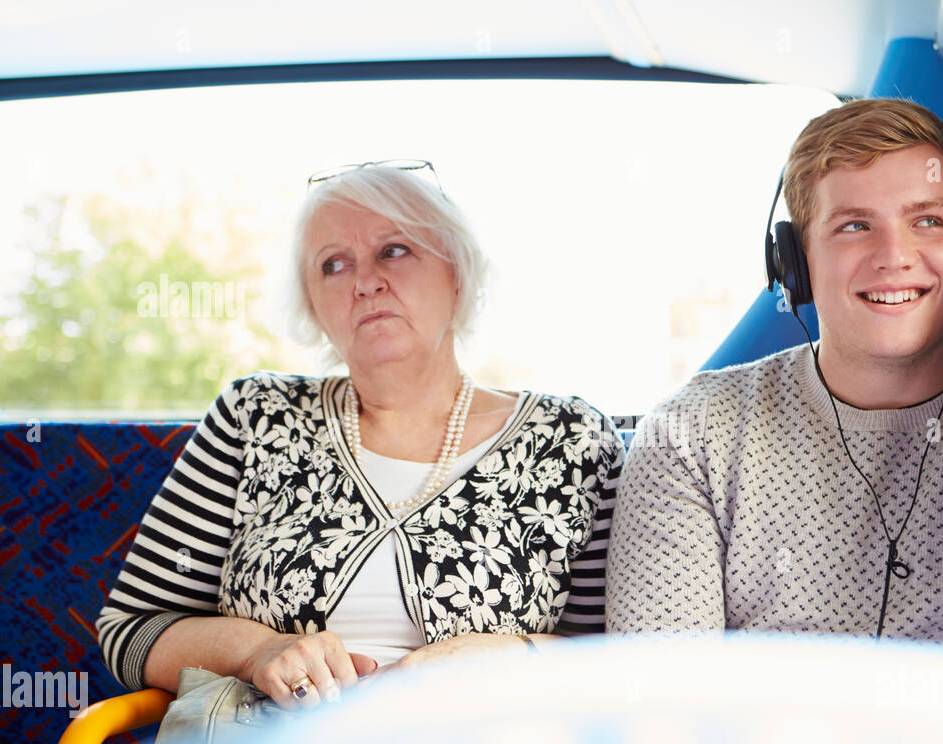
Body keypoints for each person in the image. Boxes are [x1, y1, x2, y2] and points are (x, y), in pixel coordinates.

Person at [605, 99, 943, 665]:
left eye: (928, 221)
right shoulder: (689, 435)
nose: (895, 256)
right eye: (854, 226)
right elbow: (661, 697)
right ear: (796, 265)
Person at [97, 161, 624, 709]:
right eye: (333, 265)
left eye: (394, 250)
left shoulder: (573, 439)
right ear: (313, 305)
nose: (366, 281)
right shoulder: (254, 415)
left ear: (457, 274)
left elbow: (622, 654)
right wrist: (258, 651)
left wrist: (500, 656)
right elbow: (129, 631)